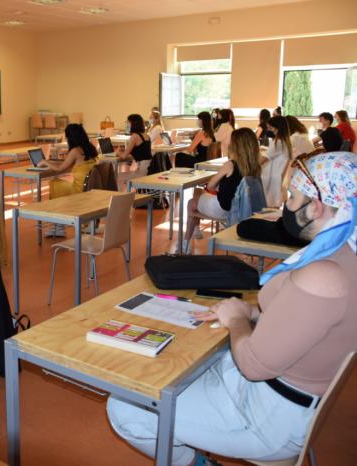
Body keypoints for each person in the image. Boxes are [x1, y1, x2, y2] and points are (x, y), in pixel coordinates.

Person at [108, 150, 357, 466]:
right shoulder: (346, 254)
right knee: (179, 364)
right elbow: (310, 321)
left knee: (126, 406)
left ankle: (196, 462)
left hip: (265, 415)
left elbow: (253, 365)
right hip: (283, 393)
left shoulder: (324, 276)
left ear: (317, 206)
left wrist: (238, 320)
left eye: (292, 198)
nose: (285, 207)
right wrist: (251, 312)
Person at [181, 128, 262, 253]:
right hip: (241, 209)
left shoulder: (230, 165)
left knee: (193, 199)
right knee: (196, 199)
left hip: (223, 209)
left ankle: (185, 243)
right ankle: (193, 232)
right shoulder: (255, 167)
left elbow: (210, 187)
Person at [39, 123, 99, 237]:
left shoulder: (75, 151)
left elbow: (59, 169)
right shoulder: (89, 148)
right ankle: (59, 224)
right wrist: (53, 163)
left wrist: (45, 161)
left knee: (54, 183)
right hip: (88, 188)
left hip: (78, 190)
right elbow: (70, 164)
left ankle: (58, 226)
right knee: (59, 184)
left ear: (71, 137)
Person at [261, 116, 292, 208]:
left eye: (270, 126)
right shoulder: (284, 140)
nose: (269, 128)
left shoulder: (278, 142)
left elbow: (263, 159)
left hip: (271, 178)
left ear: (275, 127)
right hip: (276, 177)